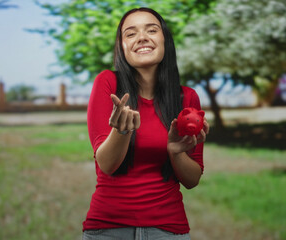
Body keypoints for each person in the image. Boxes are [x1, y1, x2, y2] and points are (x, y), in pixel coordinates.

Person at [83, 7, 209, 240]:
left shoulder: (187, 98)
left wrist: (176, 152)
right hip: (108, 229)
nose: (142, 37)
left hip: (169, 230)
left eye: (151, 30)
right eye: (130, 33)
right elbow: (107, 165)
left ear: (165, 40)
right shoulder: (107, 83)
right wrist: (121, 131)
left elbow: (192, 180)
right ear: (122, 47)